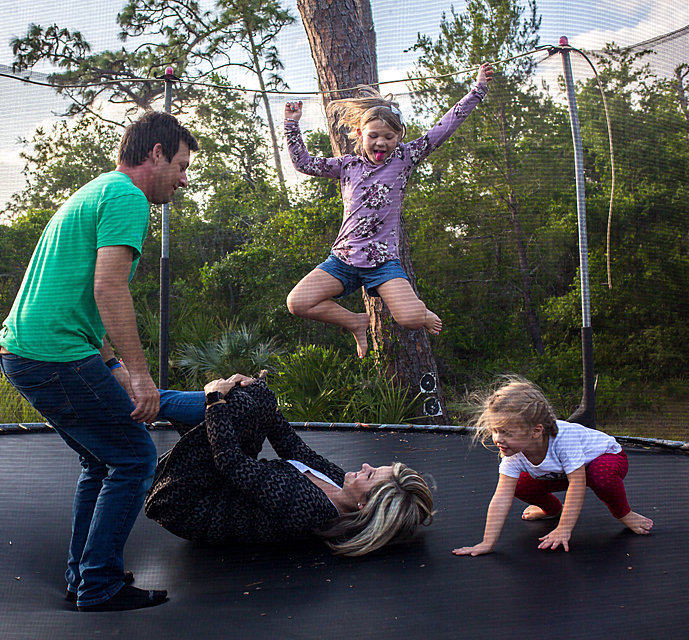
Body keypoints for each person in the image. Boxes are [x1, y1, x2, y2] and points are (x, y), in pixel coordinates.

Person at [0, 111, 198, 612]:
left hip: (28, 351)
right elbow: (108, 289)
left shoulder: (97, 190)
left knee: (101, 459)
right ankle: (100, 583)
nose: (183, 178)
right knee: (134, 457)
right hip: (54, 355)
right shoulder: (130, 198)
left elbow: (80, 299)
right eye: (180, 164)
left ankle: (83, 576)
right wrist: (140, 375)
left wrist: (110, 365)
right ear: (155, 154)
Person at [283, 63, 494, 357]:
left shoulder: (404, 159)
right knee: (298, 302)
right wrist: (292, 124)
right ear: (360, 133)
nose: (381, 142)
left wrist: (477, 91)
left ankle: (420, 311)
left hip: (383, 262)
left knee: (409, 319)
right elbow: (304, 164)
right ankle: (356, 322)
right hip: (344, 259)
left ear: (399, 137)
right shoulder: (347, 165)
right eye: (373, 136)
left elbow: (444, 128)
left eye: (389, 137)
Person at [145, 374, 434, 556]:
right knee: (254, 397)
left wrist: (214, 399)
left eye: (370, 476)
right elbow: (290, 444)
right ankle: (148, 399)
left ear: (364, 506)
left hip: (184, 502)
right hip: (216, 481)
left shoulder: (307, 510)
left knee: (238, 405)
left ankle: (137, 397)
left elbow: (231, 463)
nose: (366, 465)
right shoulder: (337, 484)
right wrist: (259, 389)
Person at [452, 378, 653, 557]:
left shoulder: (564, 440)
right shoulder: (513, 452)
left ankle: (624, 513)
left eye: (506, 433)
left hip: (606, 459)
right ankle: (551, 509)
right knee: (519, 485)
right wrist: (487, 542)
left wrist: (564, 528)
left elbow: (577, 483)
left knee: (600, 476)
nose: (497, 439)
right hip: (561, 471)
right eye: (495, 431)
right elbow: (502, 496)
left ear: (536, 431)